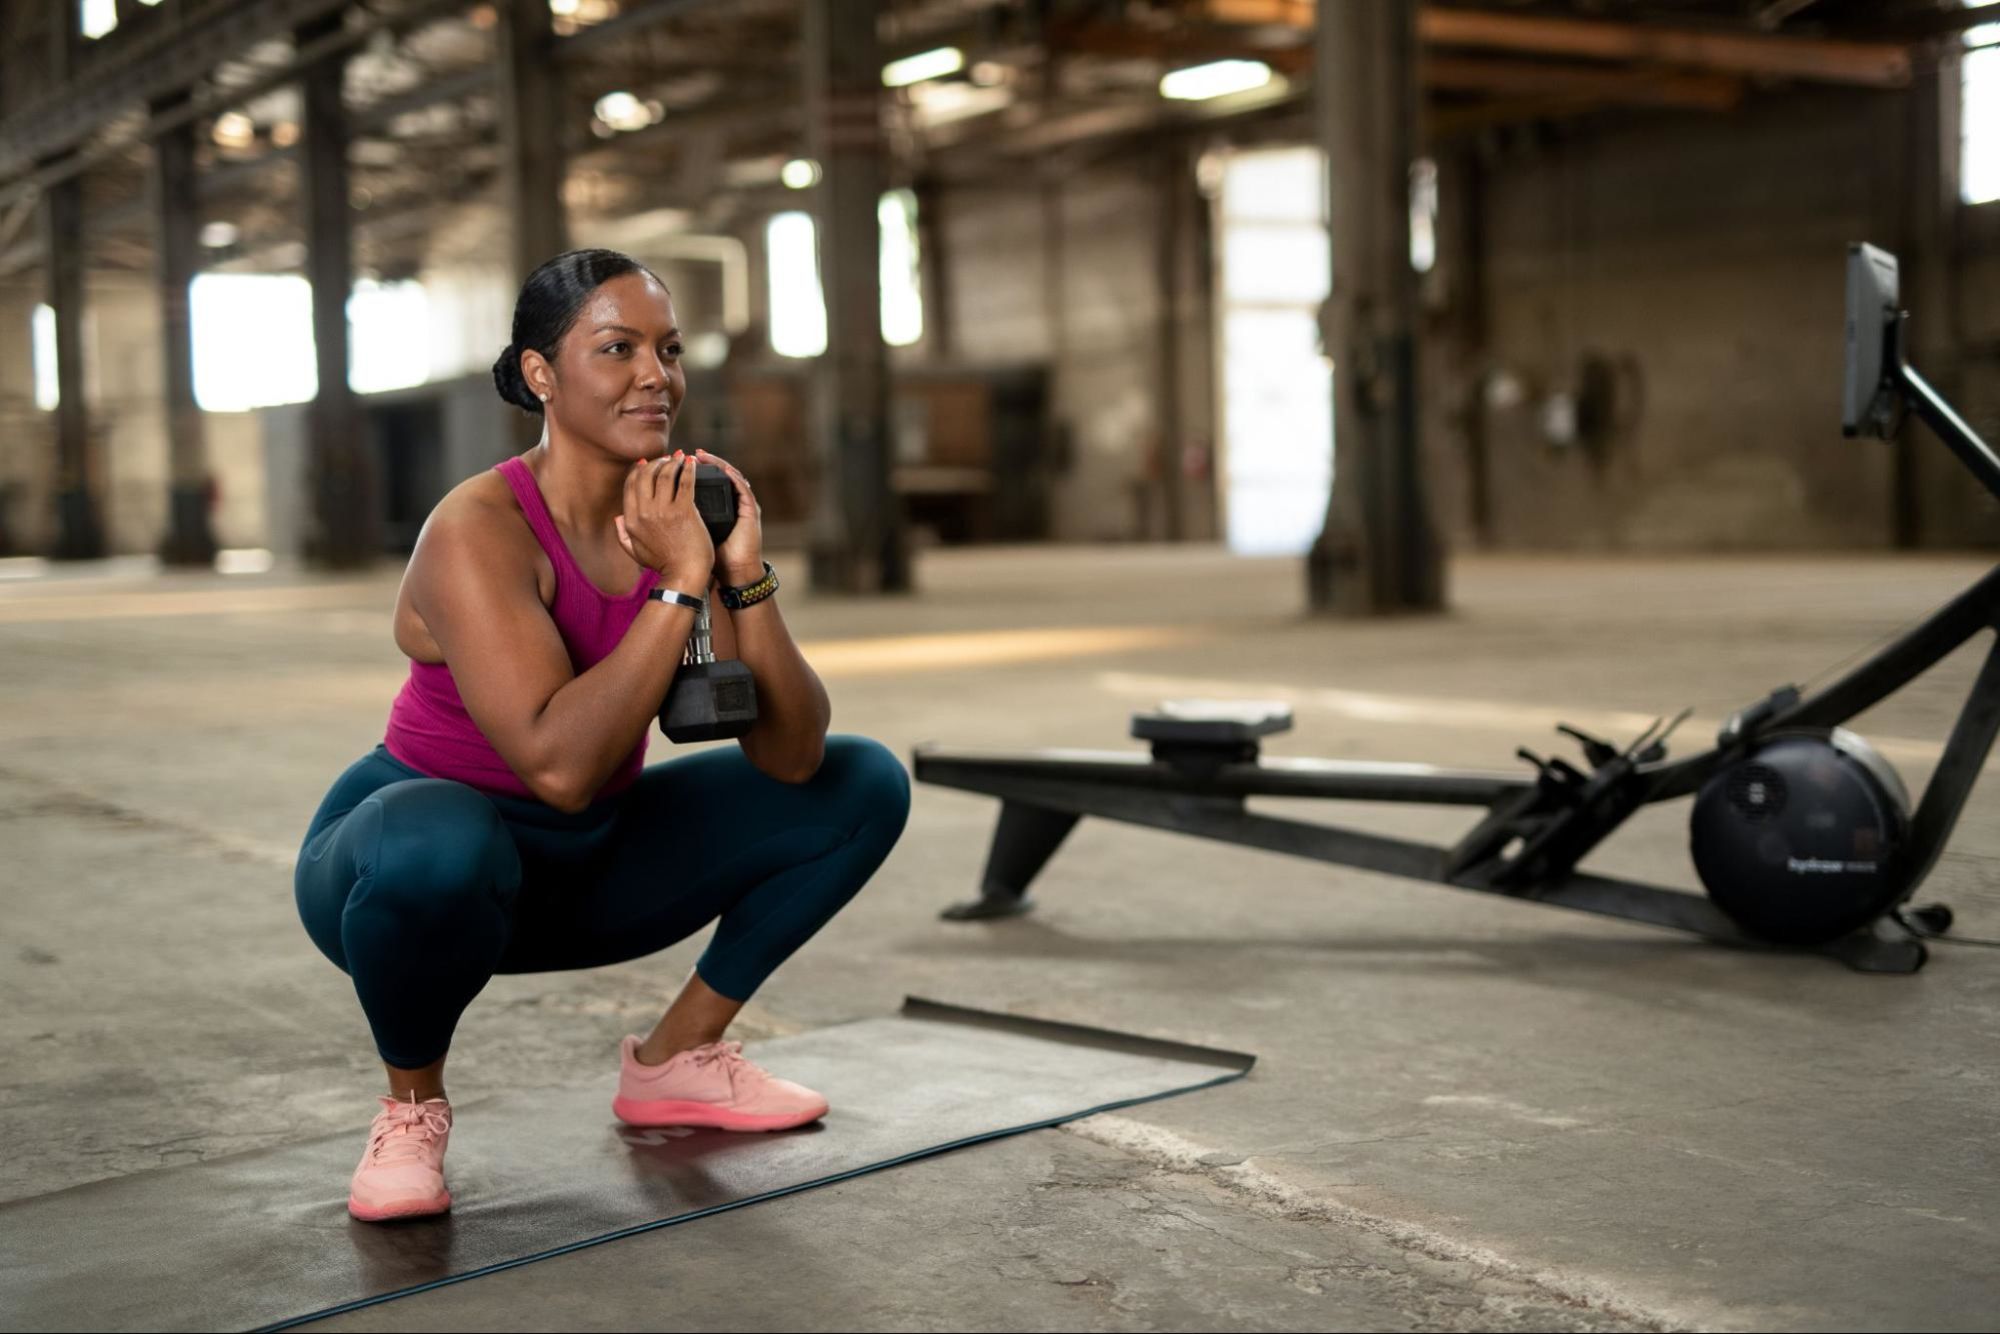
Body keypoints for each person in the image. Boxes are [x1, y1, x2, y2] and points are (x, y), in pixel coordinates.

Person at [293, 249, 911, 1223]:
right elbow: (558, 765)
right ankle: (410, 1107)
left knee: (861, 780)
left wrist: (738, 570)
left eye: (666, 349)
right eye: (615, 347)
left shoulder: (676, 507)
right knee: (437, 836)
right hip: (403, 868)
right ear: (541, 372)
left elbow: (790, 758)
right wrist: (674, 586)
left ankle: (677, 1061)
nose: (653, 375)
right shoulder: (478, 526)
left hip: (584, 863)